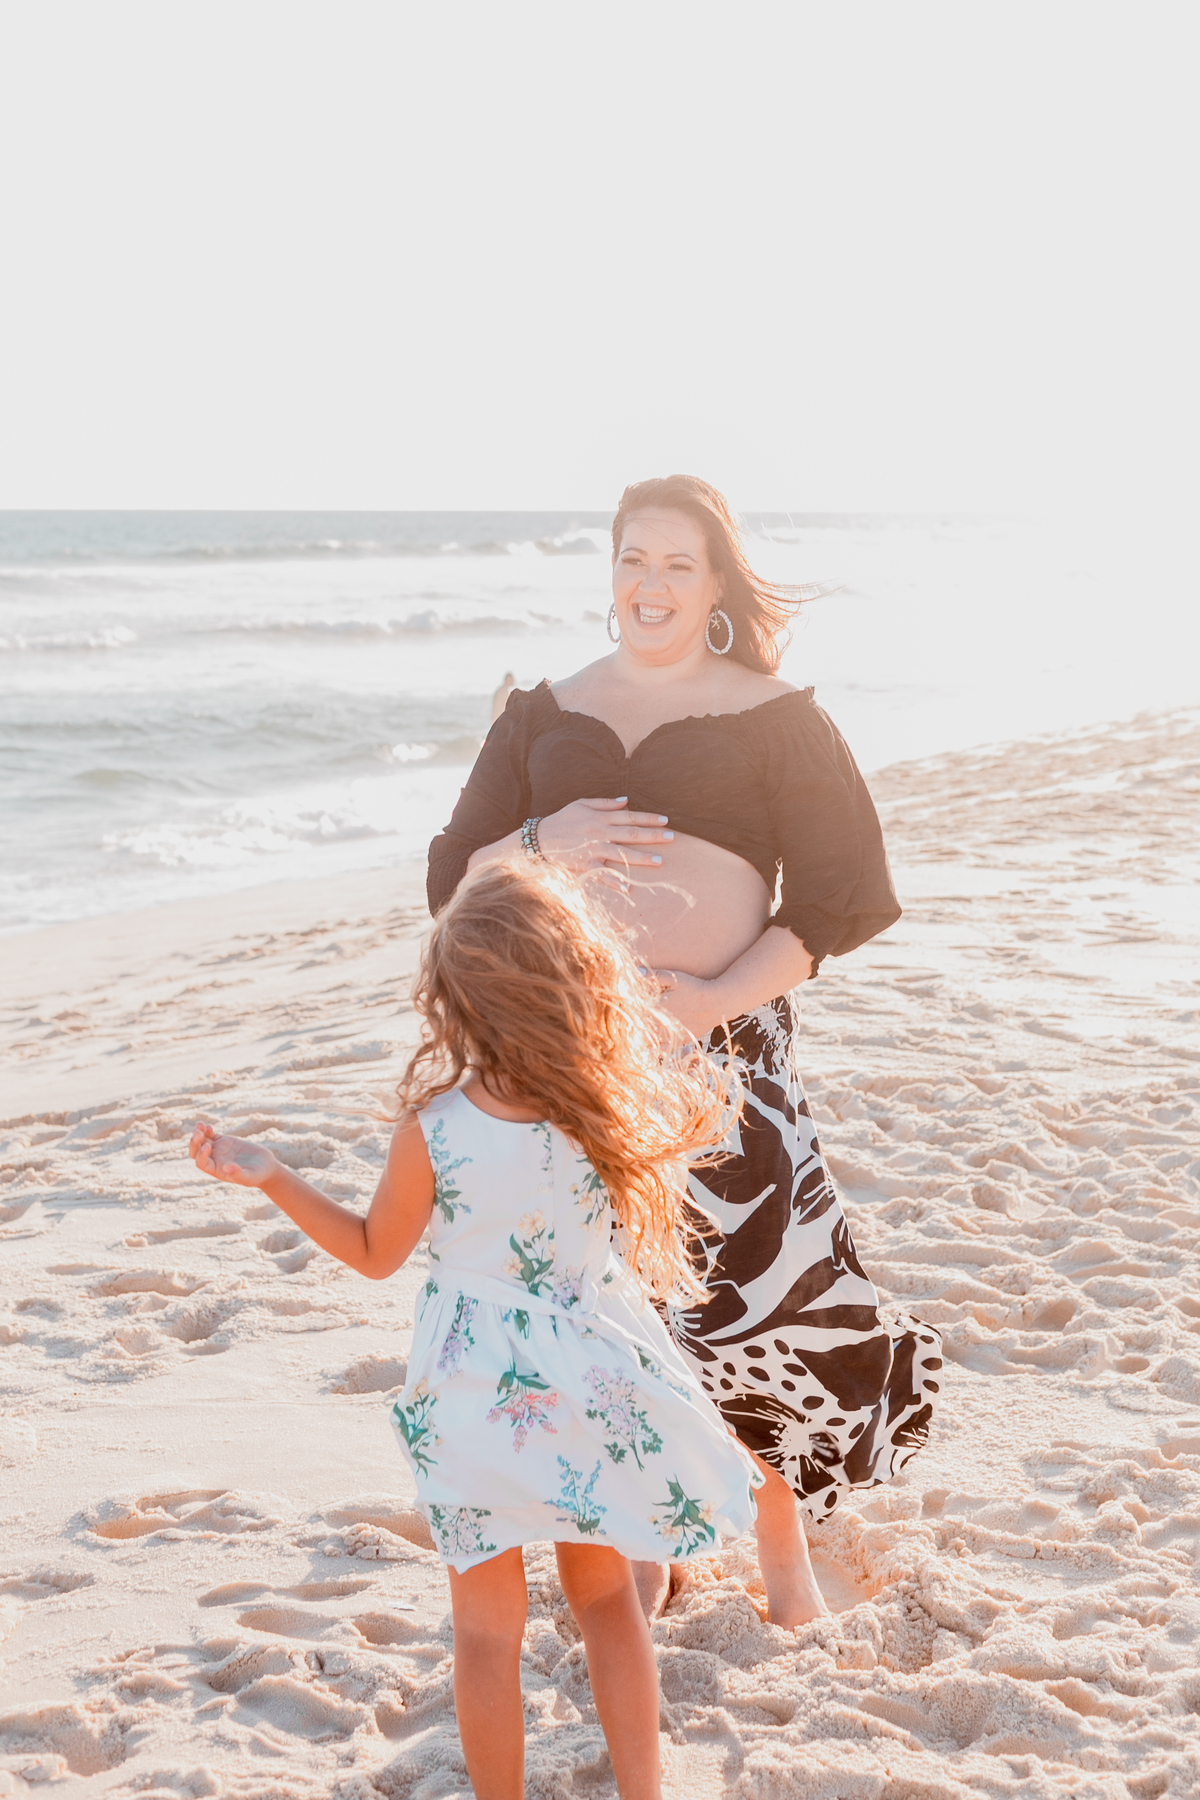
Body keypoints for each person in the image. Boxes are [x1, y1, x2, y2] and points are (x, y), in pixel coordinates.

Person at [427, 474, 943, 1629]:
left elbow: (844, 896)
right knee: (600, 1307)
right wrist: (534, 837)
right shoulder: (540, 715)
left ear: (714, 584)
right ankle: (648, 1547)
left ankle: (780, 1553)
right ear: (608, 574)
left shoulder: (777, 715)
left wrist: (711, 997)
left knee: (744, 1307)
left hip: (723, 1051)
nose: (648, 583)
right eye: (630, 559)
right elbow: (448, 877)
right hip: (563, 1054)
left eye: (675, 563)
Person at [189, 857, 760, 1800]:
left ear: (455, 1000)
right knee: (611, 1601)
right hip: (585, 1381)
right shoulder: (603, 1112)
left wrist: (275, 1173)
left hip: (472, 1396)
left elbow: (376, 1253)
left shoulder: (437, 1128)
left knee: (486, 1633)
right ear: (577, 979)